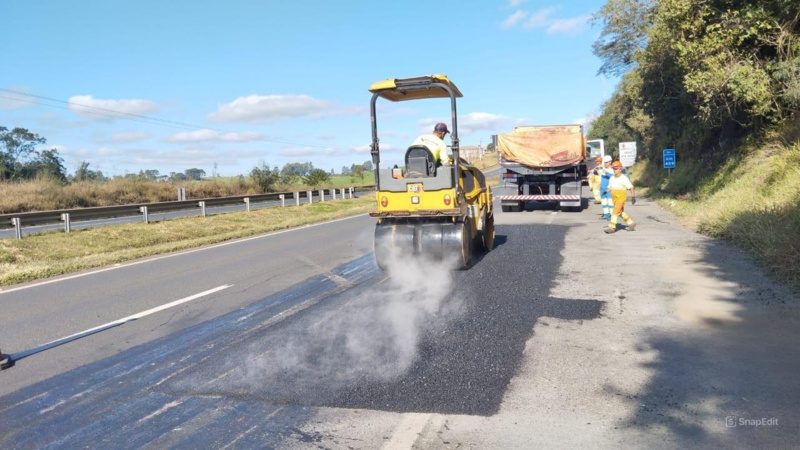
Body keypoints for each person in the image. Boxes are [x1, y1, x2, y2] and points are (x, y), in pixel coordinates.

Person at [604, 160, 637, 234]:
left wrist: (633, 197)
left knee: (615, 212)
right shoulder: (612, 178)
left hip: (621, 197)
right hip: (614, 198)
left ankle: (612, 227)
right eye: (614, 169)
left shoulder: (624, 178)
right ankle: (631, 223)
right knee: (620, 212)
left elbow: (631, 187)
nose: (615, 170)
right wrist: (605, 191)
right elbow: (610, 187)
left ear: (620, 168)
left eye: (616, 168)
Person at [599, 154, 613, 219]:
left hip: (609, 188)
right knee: (604, 202)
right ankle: (606, 214)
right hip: (602, 188)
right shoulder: (602, 169)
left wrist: (606, 173)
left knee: (610, 202)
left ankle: (612, 215)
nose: (606, 164)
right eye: (605, 162)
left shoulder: (612, 169)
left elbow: (613, 176)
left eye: (607, 162)